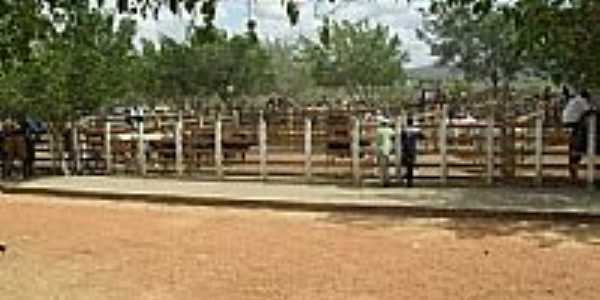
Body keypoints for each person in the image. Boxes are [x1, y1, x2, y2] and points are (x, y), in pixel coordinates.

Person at [562, 89, 591, 180]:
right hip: (573, 121)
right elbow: (588, 110)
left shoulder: (574, 99)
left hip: (567, 120)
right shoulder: (582, 101)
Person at [401, 116, 423, 187]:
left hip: (405, 149)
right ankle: (410, 181)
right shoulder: (416, 130)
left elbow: (401, 139)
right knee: (411, 164)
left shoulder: (404, 130)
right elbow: (422, 136)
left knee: (406, 165)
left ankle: (408, 180)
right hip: (413, 149)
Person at [375, 116, 394, 187]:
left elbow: (378, 141)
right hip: (388, 149)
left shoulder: (379, 130)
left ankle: (382, 182)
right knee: (387, 167)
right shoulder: (390, 130)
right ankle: (387, 181)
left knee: (382, 167)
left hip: (381, 149)